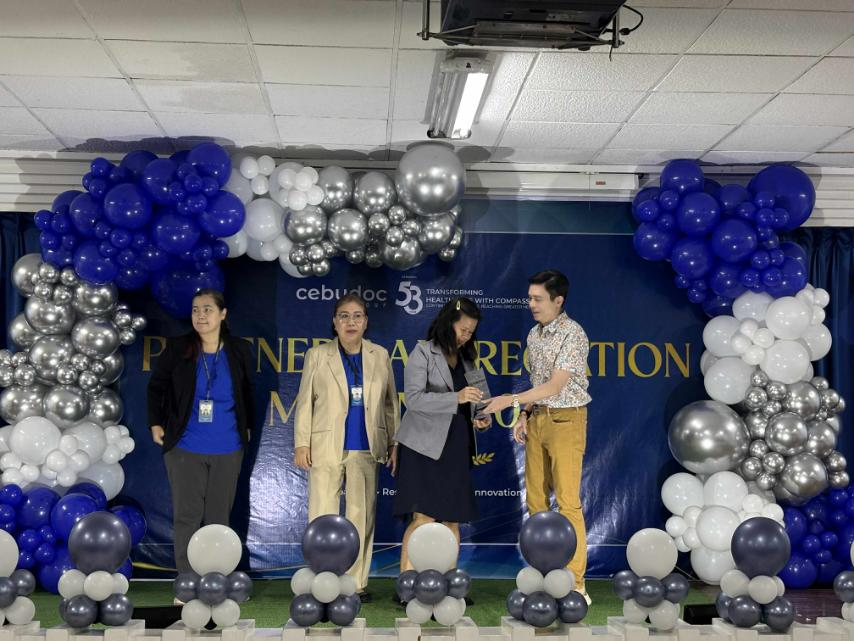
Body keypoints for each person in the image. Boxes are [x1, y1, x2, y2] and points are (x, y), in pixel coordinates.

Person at [483, 270, 592, 605]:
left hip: (567, 419)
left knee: (568, 502)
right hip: (539, 419)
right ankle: (543, 574)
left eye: (538, 299)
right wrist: (524, 414)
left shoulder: (573, 334)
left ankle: (576, 583)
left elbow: (556, 386)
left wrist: (509, 400)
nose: (531, 304)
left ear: (558, 301)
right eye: (530, 298)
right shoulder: (535, 334)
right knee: (535, 501)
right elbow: (539, 382)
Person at [294, 293, 399, 603]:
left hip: (366, 446)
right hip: (324, 446)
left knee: (360, 517)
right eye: (344, 316)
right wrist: (301, 443)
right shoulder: (317, 355)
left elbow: (391, 404)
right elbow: (305, 403)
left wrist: (394, 442)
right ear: (334, 322)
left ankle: (355, 583)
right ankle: (321, 580)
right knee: (321, 515)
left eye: (357, 316)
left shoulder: (380, 355)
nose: (350, 322)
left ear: (365, 322)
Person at [147, 289, 255, 582]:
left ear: (223, 314)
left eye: (208, 309)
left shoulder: (239, 350)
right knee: (187, 516)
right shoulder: (178, 348)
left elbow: (248, 391)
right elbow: (156, 387)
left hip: (228, 447)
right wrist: (155, 423)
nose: (201, 316)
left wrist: (247, 427)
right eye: (196, 310)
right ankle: (188, 579)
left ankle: (216, 580)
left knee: (219, 518)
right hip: (185, 446)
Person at [394, 298, 491, 579]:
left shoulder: (470, 361)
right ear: (448, 324)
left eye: (471, 332)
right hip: (423, 448)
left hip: (456, 446)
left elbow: (481, 404)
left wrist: (482, 418)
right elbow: (413, 399)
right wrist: (456, 398)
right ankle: (407, 581)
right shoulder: (423, 352)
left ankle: (449, 581)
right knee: (422, 517)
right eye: (463, 329)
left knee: (453, 518)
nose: (466, 336)